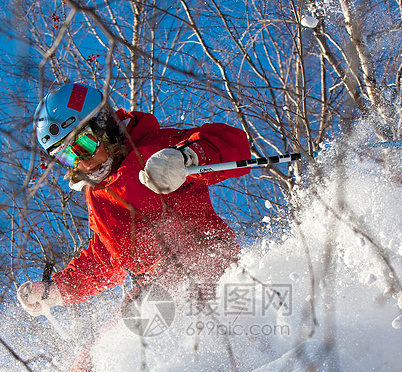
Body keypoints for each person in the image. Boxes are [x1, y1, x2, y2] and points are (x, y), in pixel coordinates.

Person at [17, 82, 251, 318]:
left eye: (83, 145)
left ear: (104, 127)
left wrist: (187, 157)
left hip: (205, 262)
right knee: (100, 353)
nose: (83, 164)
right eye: (67, 156)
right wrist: (57, 289)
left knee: (147, 338)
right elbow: (107, 256)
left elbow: (231, 144)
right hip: (155, 290)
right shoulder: (99, 196)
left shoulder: (154, 150)